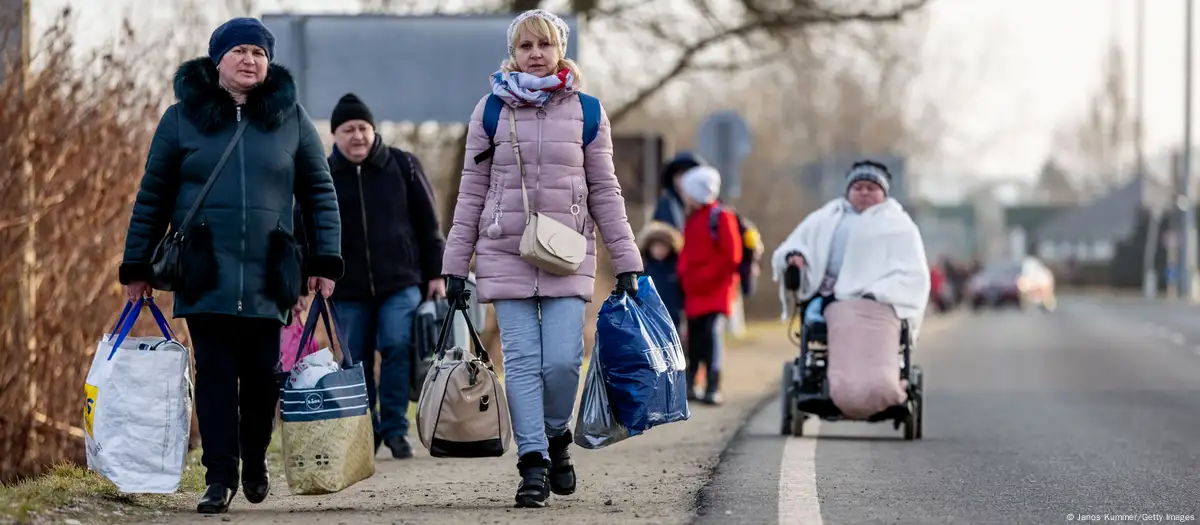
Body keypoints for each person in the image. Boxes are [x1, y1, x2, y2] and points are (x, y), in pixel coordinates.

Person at [118, 17, 342, 514]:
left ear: (269, 61)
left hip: (269, 273)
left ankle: (255, 459)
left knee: (262, 375)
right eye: (239, 51)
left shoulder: (292, 119)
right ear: (217, 59)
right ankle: (219, 476)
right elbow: (151, 196)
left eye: (259, 53)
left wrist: (325, 260)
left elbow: (320, 193)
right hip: (204, 271)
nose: (249, 60)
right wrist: (136, 266)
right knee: (215, 372)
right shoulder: (182, 119)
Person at [440, 9, 643, 509]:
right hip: (503, 250)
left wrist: (627, 258)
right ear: (513, 53)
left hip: (568, 253)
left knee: (562, 361)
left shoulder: (588, 111)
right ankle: (532, 463)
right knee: (523, 362)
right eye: (525, 46)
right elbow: (471, 191)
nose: (535, 54)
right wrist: (454, 264)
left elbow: (605, 190)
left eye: (544, 46)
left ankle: (557, 438)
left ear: (561, 51)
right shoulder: (490, 110)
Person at [309, 93, 446, 459]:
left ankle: (396, 427)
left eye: (363, 128)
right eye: (348, 129)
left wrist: (436, 274)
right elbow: (305, 230)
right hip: (347, 287)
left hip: (401, 281)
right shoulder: (322, 175)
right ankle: (365, 428)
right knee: (356, 360)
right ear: (335, 134)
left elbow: (429, 225)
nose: (357, 136)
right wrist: (309, 275)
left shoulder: (403, 166)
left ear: (374, 130)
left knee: (398, 346)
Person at [771, 160, 930, 419]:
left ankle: (883, 393)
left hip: (883, 299)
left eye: (871, 187)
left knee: (871, 327)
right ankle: (841, 395)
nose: (864, 192)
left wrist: (879, 292)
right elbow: (796, 243)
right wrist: (796, 257)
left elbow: (914, 272)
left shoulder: (899, 225)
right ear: (848, 191)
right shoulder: (826, 217)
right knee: (840, 322)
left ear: (884, 192)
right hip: (832, 296)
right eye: (858, 187)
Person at [676, 165, 742, 405]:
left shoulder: (721, 216)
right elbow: (687, 253)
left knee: (712, 336)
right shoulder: (692, 219)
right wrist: (684, 276)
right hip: (694, 293)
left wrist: (705, 276)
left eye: (688, 192)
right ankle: (692, 383)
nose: (685, 196)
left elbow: (732, 256)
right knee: (695, 338)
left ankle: (713, 385)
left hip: (716, 291)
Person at [638, 220, 685, 331]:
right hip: (648, 319)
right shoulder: (642, 268)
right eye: (656, 246)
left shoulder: (676, 267)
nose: (660, 250)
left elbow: (682, 294)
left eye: (664, 246)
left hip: (672, 318)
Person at [651, 151, 705, 231]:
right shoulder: (665, 205)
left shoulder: (708, 205)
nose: (685, 180)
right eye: (680, 174)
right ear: (672, 179)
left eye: (689, 174)